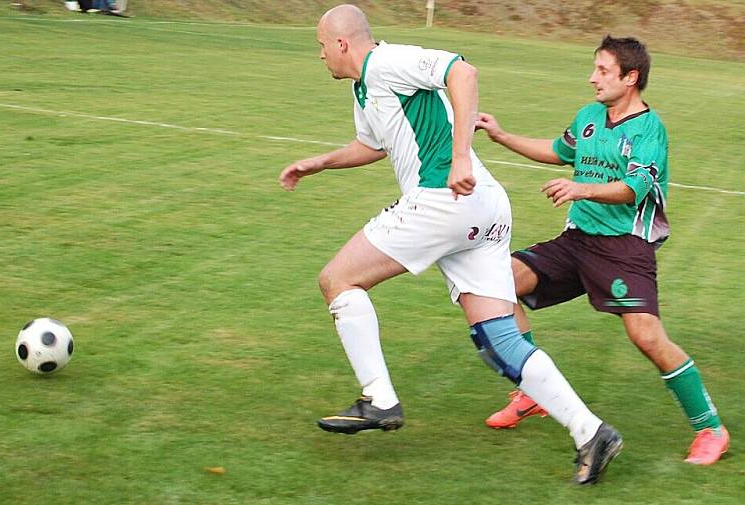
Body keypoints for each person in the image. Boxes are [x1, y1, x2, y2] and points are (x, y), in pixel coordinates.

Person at [280, 4, 622, 484]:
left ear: (341, 43)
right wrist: (317, 163)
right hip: (482, 205)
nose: (320, 57)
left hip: (445, 197)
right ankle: (592, 431)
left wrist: (461, 155)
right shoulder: (365, 88)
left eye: (320, 47)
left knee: (338, 279)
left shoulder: (387, 61)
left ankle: (378, 398)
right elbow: (373, 145)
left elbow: (462, 71)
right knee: (497, 340)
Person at [475, 35, 729, 465]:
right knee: (499, 284)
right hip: (577, 240)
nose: (593, 79)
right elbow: (559, 152)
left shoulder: (650, 130)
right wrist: (500, 135)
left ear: (630, 78)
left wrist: (581, 188)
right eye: (594, 69)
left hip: (625, 248)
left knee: (645, 335)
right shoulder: (590, 115)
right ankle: (532, 392)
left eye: (603, 71)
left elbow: (634, 189)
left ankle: (710, 428)